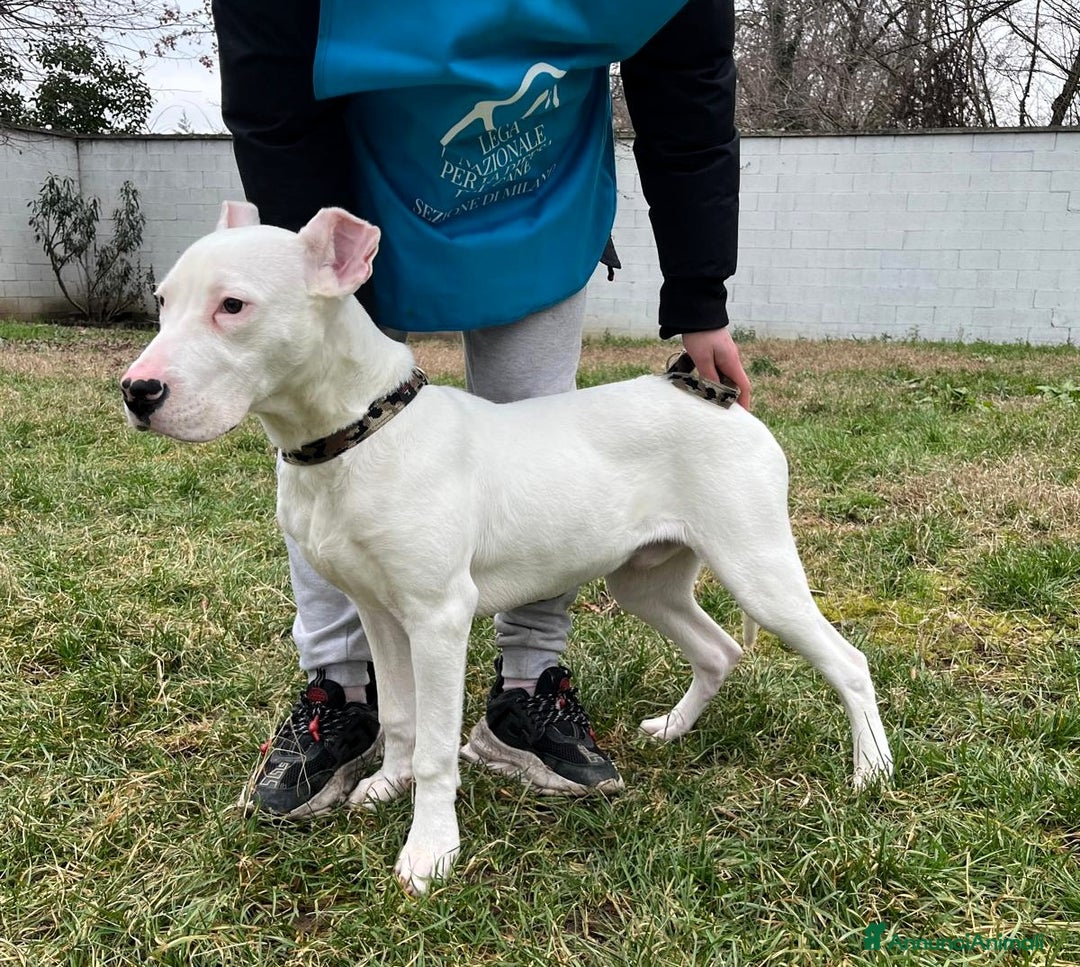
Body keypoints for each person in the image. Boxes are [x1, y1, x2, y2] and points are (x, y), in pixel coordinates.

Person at [212, 0, 750, 817]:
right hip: (357, 169)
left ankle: (528, 687)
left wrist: (701, 293)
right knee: (329, 437)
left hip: (541, 189)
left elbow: (687, 80)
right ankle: (340, 691)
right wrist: (314, 270)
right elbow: (269, 89)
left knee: (542, 442)